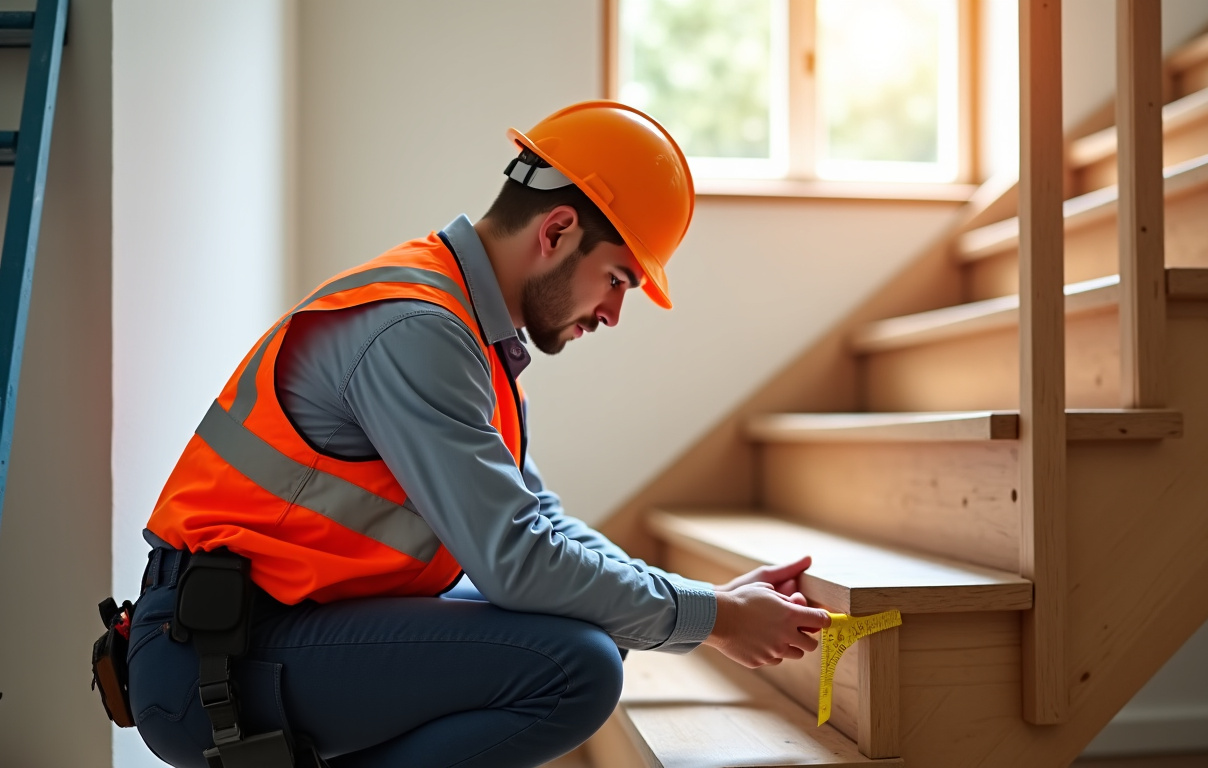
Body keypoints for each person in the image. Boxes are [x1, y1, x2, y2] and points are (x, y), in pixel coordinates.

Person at [124, 100, 831, 768]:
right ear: (556, 232)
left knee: (582, 640)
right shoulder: (418, 330)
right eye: (618, 279)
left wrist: (710, 603)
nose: (614, 313)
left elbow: (538, 522)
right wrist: (715, 620)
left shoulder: (464, 330)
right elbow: (519, 559)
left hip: (270, 627)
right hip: (212, 655)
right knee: (574, 667)